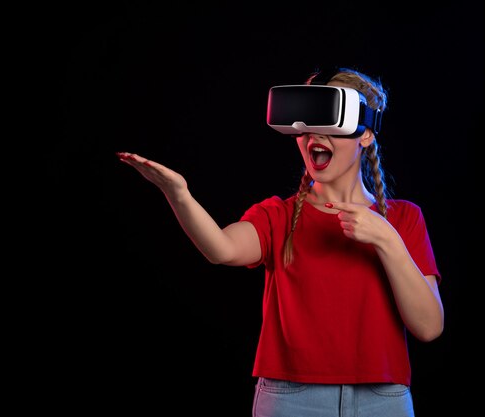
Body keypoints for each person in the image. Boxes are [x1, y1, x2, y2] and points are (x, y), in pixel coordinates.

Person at [116, 67, 443, 417]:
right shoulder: (278, 216)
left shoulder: (403, 219)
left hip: (383, 399)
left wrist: (386, 240)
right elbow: (221, 249)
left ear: (364, 135)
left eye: (328, 122)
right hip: (291, 398)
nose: (312, 135)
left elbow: (428, 326)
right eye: (305, 124)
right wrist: (178, 195)